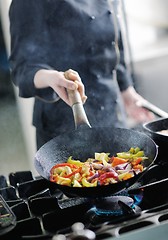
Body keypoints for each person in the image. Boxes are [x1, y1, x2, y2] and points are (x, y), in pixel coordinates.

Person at [9, 0, 154, 150]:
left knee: (123, 170)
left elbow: (114, 44)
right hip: (63, 127)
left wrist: (126, 90)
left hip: (113, 116)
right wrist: (51, 77)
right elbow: (22, 68)